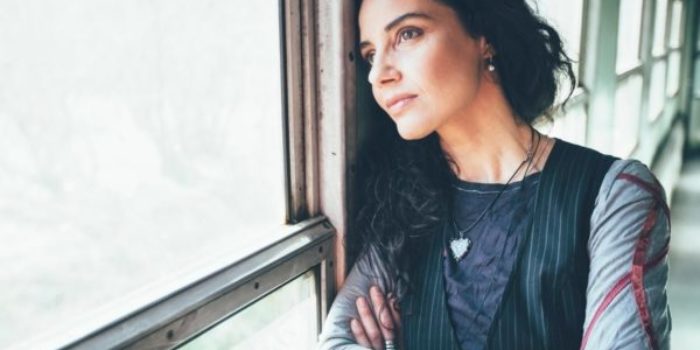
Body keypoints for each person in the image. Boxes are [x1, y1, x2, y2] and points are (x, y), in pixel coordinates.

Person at [318, 0, 672, 349]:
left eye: (407, 34)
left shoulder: (614, 195)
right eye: (369, 54)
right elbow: (338, 339)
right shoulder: (405, 202)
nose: (379, 74)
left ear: (484, 36)